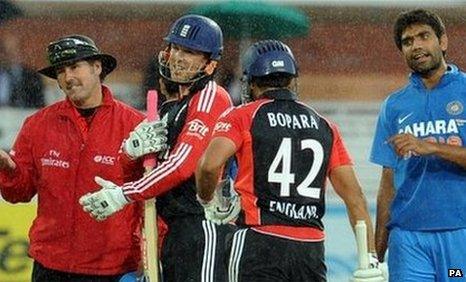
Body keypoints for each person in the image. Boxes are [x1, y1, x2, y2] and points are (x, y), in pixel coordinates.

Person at [195, 39, 385, 281]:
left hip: (259, 239)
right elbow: (355, 197)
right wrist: (368, 256)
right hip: (310, 247)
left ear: (251, 82)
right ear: (291, 79)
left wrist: (207, 199)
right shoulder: (325, 126)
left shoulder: (243, 116)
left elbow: (208, 166)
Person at [80, 15, 238, 282]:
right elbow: (143, 174)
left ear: (210, 64)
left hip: (203, 226)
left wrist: (123, 195)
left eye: (189, 52)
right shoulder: (169, 108)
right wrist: (129, 153)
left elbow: (182, 166)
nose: (177, 57)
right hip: (172, 229)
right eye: (175, 47)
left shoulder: (212, 96)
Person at [0, 34, 150, 281]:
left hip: (114, 268)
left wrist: (153, 247)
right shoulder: (37, 125)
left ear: (97, 67)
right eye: (60, 71)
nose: (68, 77)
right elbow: (19, 193)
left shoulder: (134, 126)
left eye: (74, 67)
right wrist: (7, 168)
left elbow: (151, 195)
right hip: (51, 265)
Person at [370, 9, 466, 282]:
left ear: (443, 42)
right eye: (408, 41)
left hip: (459, 236)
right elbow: (387, 182)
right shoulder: (394, 105)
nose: (416, 46)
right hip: (408, 240)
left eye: (424, 36)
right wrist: (377, 252)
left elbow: (427, 148)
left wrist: (432, 147)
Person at [0, 30, 44, 108]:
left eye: (13, 51)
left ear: (20, 52)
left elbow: (39, 106)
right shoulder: (2, 77)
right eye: (5, 51)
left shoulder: (32, 77)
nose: (10, 55)